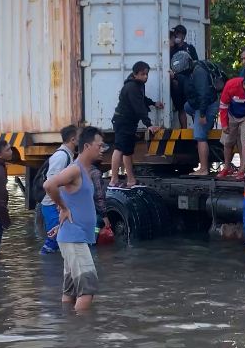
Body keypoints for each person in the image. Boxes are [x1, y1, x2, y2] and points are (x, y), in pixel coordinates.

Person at [43, 126, 107, 311]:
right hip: (74, 238)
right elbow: (49, 184)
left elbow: (77, 202)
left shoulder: (85, 171)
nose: (102, 149)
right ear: (87, 146)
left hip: (73, 236)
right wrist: (62, 208)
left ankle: (69, 330)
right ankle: (84, 336)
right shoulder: (75, 170)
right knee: (88, 289)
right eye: (100, 145)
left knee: (70, 291)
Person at [110, 61, 163, 189]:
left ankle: (131, 180)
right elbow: (138, 107)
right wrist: (148, 124)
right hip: (123, 121)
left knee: (127, 151)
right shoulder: (132, 87)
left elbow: (142, 99)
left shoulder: (138, 85)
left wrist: (153, 103)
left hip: (127, 122)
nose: (145, 77)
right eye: (142, 74)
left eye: (147, 74)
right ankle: (114, 180)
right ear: (135, 74)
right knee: (119, 148)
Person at [38, 124, 79, 255]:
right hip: (52, 204)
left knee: (61, 238)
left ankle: (55, 268)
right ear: (73, 139)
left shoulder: (68, 155)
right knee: (55, 239)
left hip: (58, 204)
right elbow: (51, 183)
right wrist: (59, 204)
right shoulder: (61, 156)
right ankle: (47, 267)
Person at [182, 54, 221, 176]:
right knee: (186, 107)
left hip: (206, 105)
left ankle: (203, 169)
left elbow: (203, 95)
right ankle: (204, 125)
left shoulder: (198, 73)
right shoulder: (196, 67)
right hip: (202, 104)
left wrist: (202, 115)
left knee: (200, 137)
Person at [170, 25, 199, 128]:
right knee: (180, 107)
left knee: (192, 105)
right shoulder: (171, 48)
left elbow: (196, 63)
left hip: (188, 80)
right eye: (175, 34)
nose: (176, 36)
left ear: (183, 35)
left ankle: (197, 128)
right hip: (176, 82)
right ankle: (184, 129)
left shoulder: (190, 48)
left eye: (178, 34)